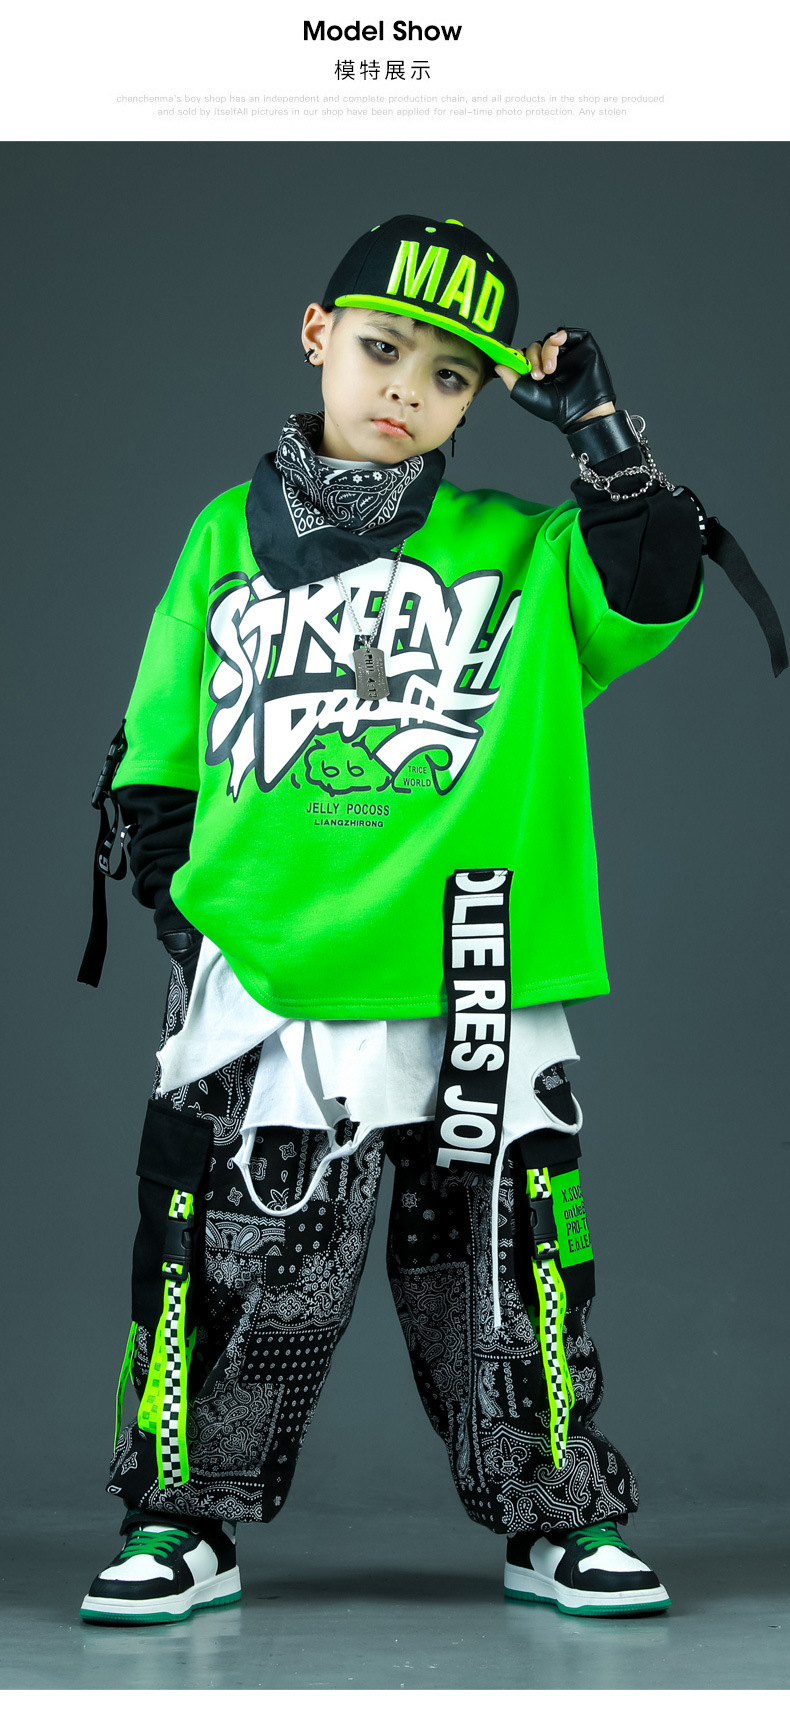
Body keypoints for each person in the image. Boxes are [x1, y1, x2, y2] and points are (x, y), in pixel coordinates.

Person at [76, 213, 765, 1626]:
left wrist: (604, 441)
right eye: (381, 349)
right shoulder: (222, 535)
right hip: (271, 980)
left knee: (512, 1263)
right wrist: (189, 914)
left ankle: (554, 1514)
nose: (405, 389)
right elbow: (157, 748)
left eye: (449, 375)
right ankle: (181, 1518)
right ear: (316, 335)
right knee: (225, 1256)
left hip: (475, 967)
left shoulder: (527, 551)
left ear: (475, 399)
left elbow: (654, 583)